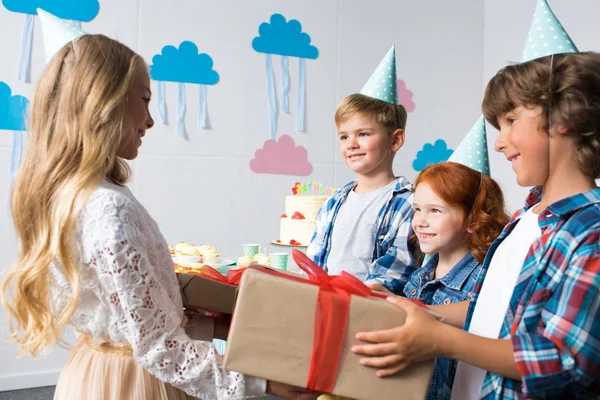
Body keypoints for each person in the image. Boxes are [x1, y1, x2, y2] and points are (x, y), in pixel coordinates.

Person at [1, 27, 315, 400]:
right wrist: (263, 382)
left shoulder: (69, 195)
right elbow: (158, 347)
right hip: (136, 382)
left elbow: (129, 311)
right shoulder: (108, 209)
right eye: (145, 99)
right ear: (105, 101)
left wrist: (214, 321)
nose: (150, 120)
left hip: (94, 370)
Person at [351, 52, 600, 398]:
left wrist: (440, 339)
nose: (499, 142)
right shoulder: (523, 220)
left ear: (565, 120)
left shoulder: (589, 230)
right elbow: (492, 308)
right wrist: (414, 310)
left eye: (511, 120)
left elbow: (563, 360)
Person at [308, 46, 415, 295]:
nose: (352, 144)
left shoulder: (407, 203)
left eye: (363, 134)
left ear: (395, 140)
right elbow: (314, 264)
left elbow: (396, 271)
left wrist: (359, 297)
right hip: (326, 305)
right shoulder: (334, 203)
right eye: (344, 137)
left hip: (368, 310)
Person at [404, 161, 509, 399]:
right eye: (417, 209)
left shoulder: (485, 279)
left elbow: (484, 313)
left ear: (473, 220)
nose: (420, 220)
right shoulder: (419, 277)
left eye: (435, 211)